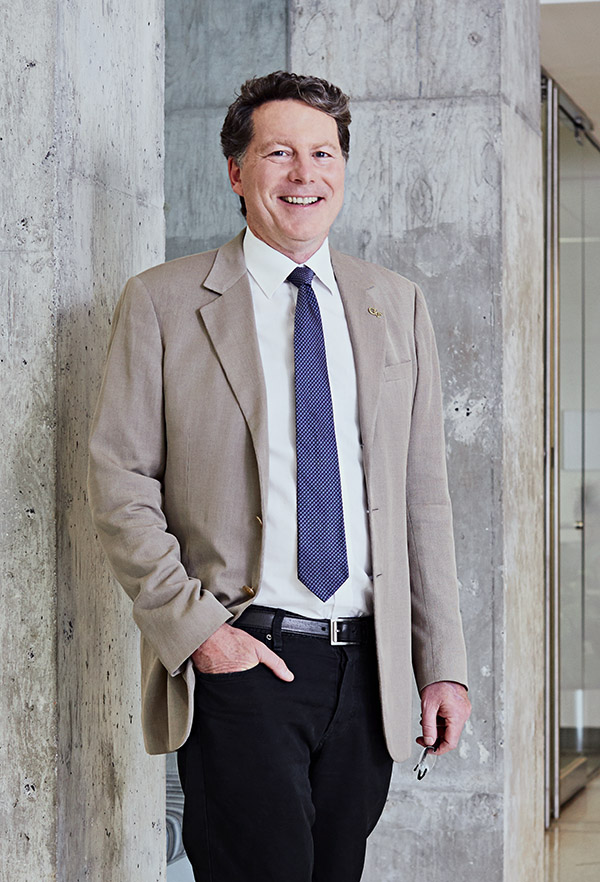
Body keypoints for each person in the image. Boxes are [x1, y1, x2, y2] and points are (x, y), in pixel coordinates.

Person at [88, 70, 471, 882]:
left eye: (323, 153)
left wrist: (441, 663)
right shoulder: (163, 304)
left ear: (343, 169)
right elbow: (120, 480)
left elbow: (422, 500)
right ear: (236, 171)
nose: (305, 175)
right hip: (246, 662)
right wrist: (199, 635)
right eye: (280, 153)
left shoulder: (394, 304)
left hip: (367, 676)